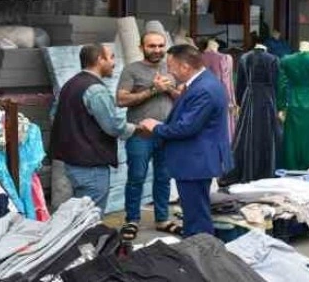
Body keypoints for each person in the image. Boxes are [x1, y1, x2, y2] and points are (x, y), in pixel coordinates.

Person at [140, 44, 233, 237]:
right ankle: (197, 250)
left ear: (185, 67)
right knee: (194, 213)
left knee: (196, 216)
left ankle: (199, 253)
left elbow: (187, 127)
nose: (170, 71)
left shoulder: (204, 89)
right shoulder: (203, 83)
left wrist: (155, 127)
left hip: (195, 162)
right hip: (196, 160)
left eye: (171, 67)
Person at [51, 43, 136, 214]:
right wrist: (138, 128)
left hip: (73, 162)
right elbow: (113, 126)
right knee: (90, 217)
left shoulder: (70, 84)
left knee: (79, 215)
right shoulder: (95, 90)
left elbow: (55, 116)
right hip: (91, 166)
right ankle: (88, 241)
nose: (114, 63)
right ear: (99, 60)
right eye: (111, 57)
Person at [117, 32, 183, 240]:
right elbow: (121, 100)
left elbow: (183, 98)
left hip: (167, 133)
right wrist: (153, 89)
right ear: (141, 47)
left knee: (164, 178)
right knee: (136, 177)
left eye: (160, 46)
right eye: (152, 46)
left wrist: (168, 88)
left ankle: (162, 219)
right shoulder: (132, 70)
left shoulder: (172, 68)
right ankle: (132, 219)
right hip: (140, 134)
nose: (157, 50)